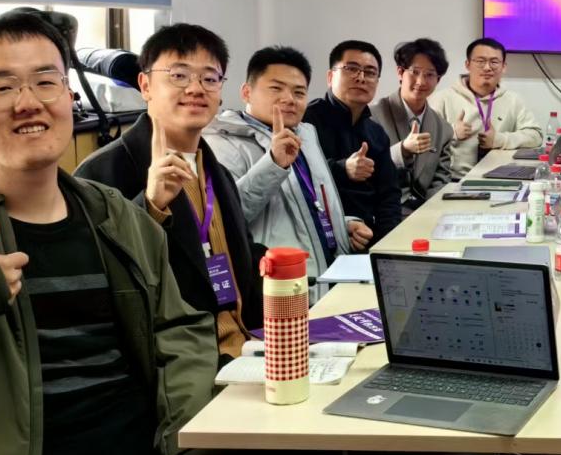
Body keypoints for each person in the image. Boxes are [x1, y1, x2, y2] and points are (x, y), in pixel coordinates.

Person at [0, 12, 217, 455]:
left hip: (143, 451)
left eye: (46, 81)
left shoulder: (113, 215)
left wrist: (189, 434)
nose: (29, 101)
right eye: (2, 86)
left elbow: (180, 327)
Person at [77, 23, 263, 359]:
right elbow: (99, 284)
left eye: (210, 78)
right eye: (179, 76)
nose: (196, 88)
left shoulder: (216, 172)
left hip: (248, 345)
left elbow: (241, 258)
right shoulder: (101, 173)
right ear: (145, 85)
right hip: (180, 363)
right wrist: (149, 207)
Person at [206, 46, 367, 279]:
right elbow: (222, 220)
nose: (289, 99)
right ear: (246, 92)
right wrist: (273, 163)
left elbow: (305, 206)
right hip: (279, 284)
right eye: (276, 88)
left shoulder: (305, 135)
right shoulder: (221, 143)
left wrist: (341, 226)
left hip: (327, 274)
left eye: (299, 92)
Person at [302, 39, 403, 242]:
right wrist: (343, 169)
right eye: (351, 69)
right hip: (319, 235)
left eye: (370, 72)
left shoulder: (376, 133)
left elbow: (389, 195)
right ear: (330, 77)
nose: (361, 78)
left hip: (367, 236)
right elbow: (296, 179)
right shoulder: (305, 121)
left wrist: (385, 243)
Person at [426, 37, 541, 180]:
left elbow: (535, 136)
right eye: (480, 61)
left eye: (494, 62)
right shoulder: (442, 98)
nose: (487, 67)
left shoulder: (513, 100)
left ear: (504, 67)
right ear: (467, 65)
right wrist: (452, 132)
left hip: (501, 180)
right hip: (454, 181)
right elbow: (422, 140)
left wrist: (499, 139)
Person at [373, 38, 454, 212]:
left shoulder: (443, 128)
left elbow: (440, 181)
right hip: (383, 212)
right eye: (415, 72)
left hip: (425, 212)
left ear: (438, 80)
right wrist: (402, 150)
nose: (421, 81)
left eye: (430, 75)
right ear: (400, 72)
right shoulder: (373, 116)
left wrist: (430, 213)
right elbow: (368, 169)